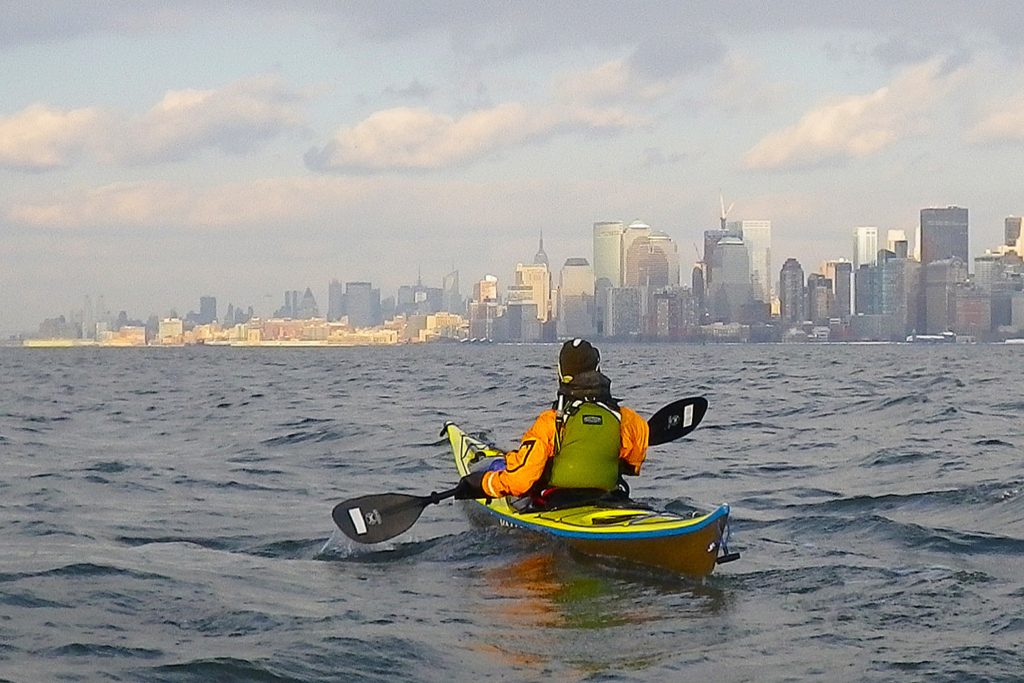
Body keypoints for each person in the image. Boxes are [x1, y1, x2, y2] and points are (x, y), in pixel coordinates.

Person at [453, 338, 649, 505]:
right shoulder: (628, 420)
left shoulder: (551, 422)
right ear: (598, 369)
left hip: (559, 505)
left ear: (561, 374)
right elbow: (633, 466)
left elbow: (521, 481)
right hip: (610, 500)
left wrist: (483, 484)